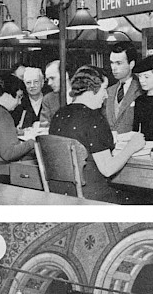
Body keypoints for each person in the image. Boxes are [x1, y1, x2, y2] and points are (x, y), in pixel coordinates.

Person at [48, 65, 145, 203]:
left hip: (60, 196)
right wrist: (132, 146)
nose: (106, 95)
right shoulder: (94, 119)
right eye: (104, 89)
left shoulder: (59, 115)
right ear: (91, 90)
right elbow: (107, 169)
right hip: (91, 197)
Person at [0, 74, 39, 181]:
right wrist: (33, 141)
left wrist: (18, 132)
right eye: (18, 97)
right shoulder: (3, 115)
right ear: (7, 94)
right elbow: (9, 153)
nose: (19, 102)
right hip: (1, 174)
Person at [105, 42, 143, 134]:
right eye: (112, 63)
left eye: (119, 63)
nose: (113, 68)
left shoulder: (141, 91)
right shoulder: (108, 91)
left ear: (131, 64)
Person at [39, 60, 70, 125]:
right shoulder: (48, 99)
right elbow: (44, 124)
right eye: (48, 79)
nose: (49, 83)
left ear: (65, 75)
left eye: (52, 78)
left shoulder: (81, 95)